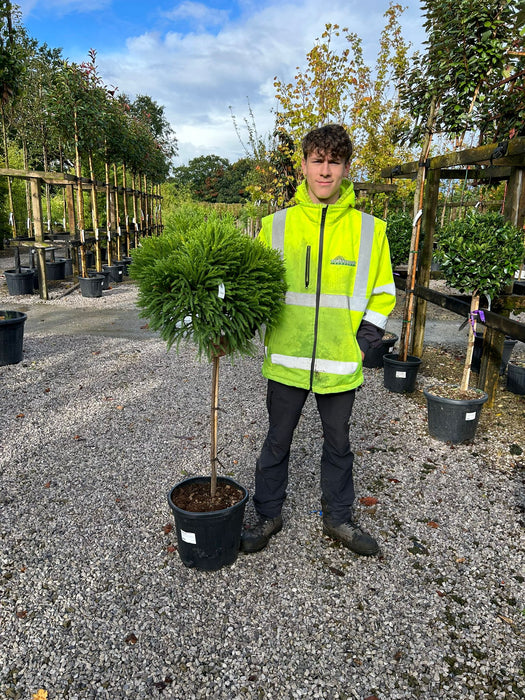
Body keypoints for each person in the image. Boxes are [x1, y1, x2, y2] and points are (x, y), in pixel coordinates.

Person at [240, 124, 396, 557]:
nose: (325, 171)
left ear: (346, 167)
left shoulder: (370, 231)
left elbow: (383, 293)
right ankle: (268, 514)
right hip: (287, 360)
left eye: (334, 162)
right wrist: (232, 330)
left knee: (339, 444)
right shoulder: (275, 227)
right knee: (277, 440)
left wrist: (362, 344)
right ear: (304, 166)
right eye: (317, 160)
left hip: (340, 361)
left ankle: (339, 518)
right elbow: (255, 290)